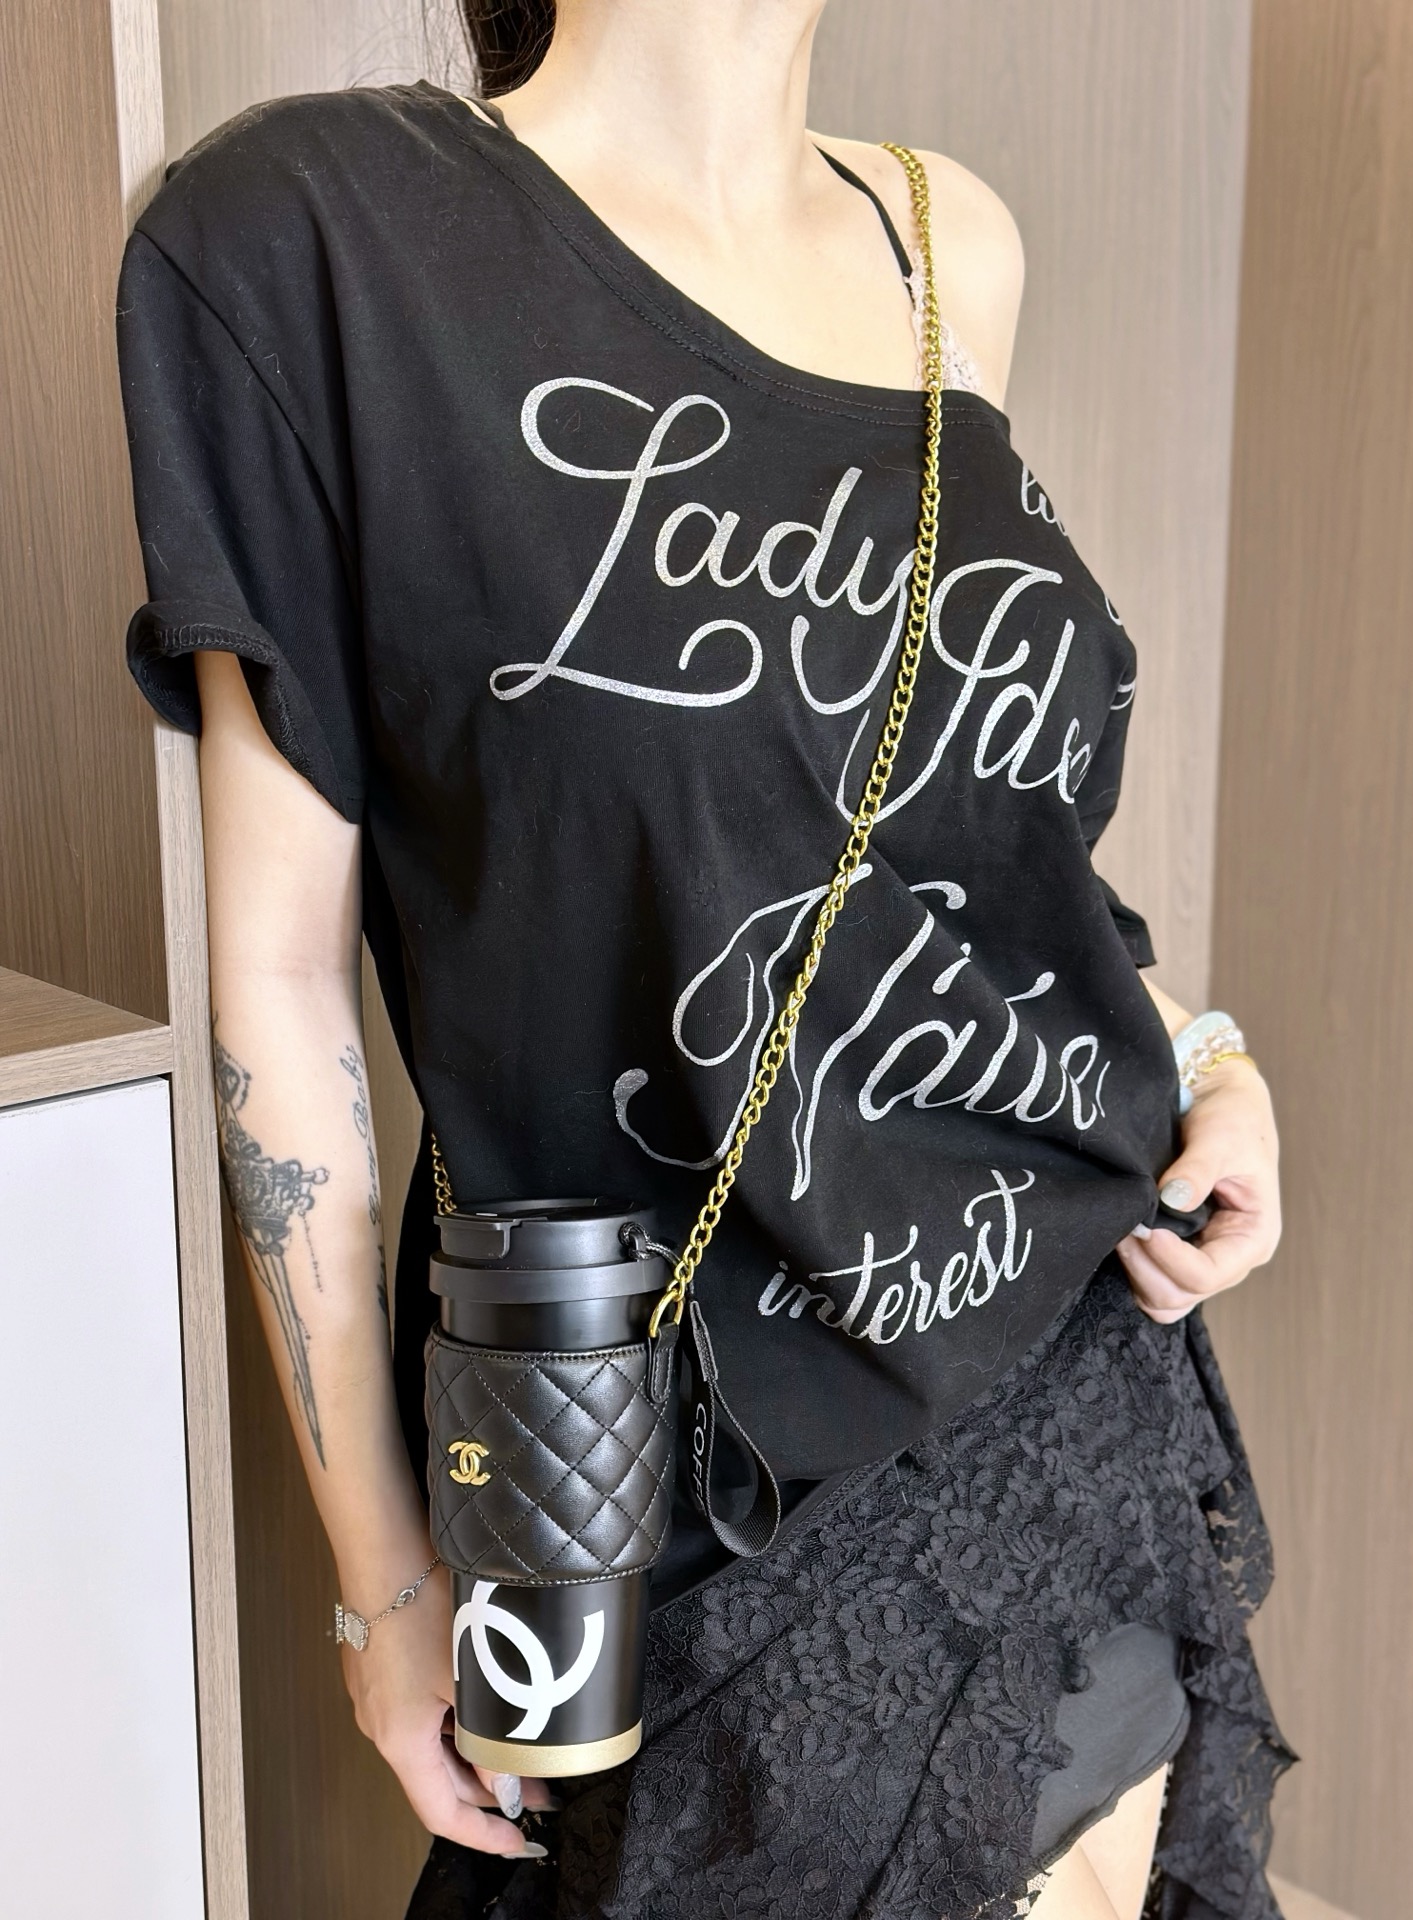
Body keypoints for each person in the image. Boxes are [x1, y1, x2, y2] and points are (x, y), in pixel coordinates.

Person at [116, 3, 1293, 1915]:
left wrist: (1205, 1053)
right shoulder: (315, 234)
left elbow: (955, 847)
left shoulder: (947, 243)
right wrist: (386, 1582)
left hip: (1068, 1391)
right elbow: (280, 981)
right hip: (672, 1497)